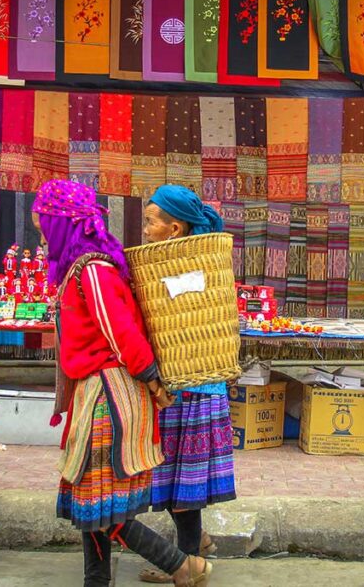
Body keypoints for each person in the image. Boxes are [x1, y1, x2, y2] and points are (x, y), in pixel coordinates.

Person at [33, 180, 213, 587]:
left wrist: (151, 379)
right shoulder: (86, 268)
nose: (43, 236)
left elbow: (121, 332)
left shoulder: (94, 270)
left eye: (44, 226)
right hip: (96, 392)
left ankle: (182, 565)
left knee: (99, 505)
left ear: (63, 225)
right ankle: (98, 580)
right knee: (96, 503)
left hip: (108, 396)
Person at [137, 185, 237, 584]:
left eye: (150, 221)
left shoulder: (187, 264)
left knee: (184, 483)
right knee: (181, 479)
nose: (144, 229)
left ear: (174, 228)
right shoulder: (189, 260)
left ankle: (188, 560)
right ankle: (198, 542)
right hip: (191, 385)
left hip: (191, 387)